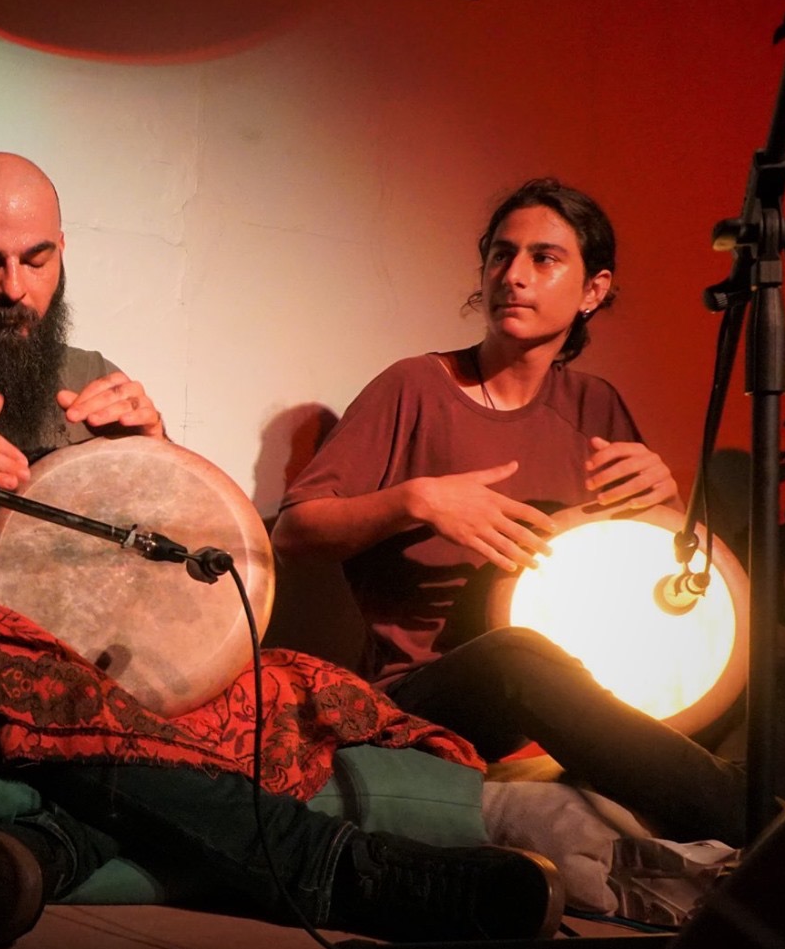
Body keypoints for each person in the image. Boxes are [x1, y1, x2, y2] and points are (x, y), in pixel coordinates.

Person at [0, 151, 564, 949]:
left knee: (273, 689)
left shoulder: (93, 376)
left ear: (63, 256)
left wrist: (159, 454)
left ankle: (41, 852)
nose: (16, 289)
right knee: (4, 660)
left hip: (84, 680)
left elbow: (184, 584)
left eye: (38, 258)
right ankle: (349, 875)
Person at [272, 178, 756, 844]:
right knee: (519, 656)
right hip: (425, 699)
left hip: (584, 693)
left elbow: (651, 587)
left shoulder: (595, 406)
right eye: (502, 255)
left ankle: (760, 823)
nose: (515, 276)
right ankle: (766, 826)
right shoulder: (415, 387)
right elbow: (294, 529)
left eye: (543, 258)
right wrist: (418, 500)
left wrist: (668, 503)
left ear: (594, 290)